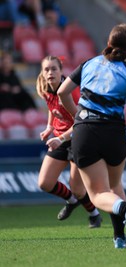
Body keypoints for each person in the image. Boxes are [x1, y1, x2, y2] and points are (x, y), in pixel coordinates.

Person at [58, 24, 126, 249]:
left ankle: (125, 209)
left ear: (109, 42)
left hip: (86, 131)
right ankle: (119, 238)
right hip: (115, 134)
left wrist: (77, 115)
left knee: (99, 193)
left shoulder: (88, 65)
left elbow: (62, 92)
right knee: (115, 185)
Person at [36, 55, 102, 228]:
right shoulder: (45, 88)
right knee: (44, 183)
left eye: (53, 69)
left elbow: (81, 121)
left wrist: (60, 138)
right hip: (59, 137)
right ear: (42, 73)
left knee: (79, 189)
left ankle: (94, 215)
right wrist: (50, 126)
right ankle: (71, 201)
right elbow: (53, 108)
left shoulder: (70, 91)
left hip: (78, 136)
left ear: (61, 71)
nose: (50, 72)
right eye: (46, 69)